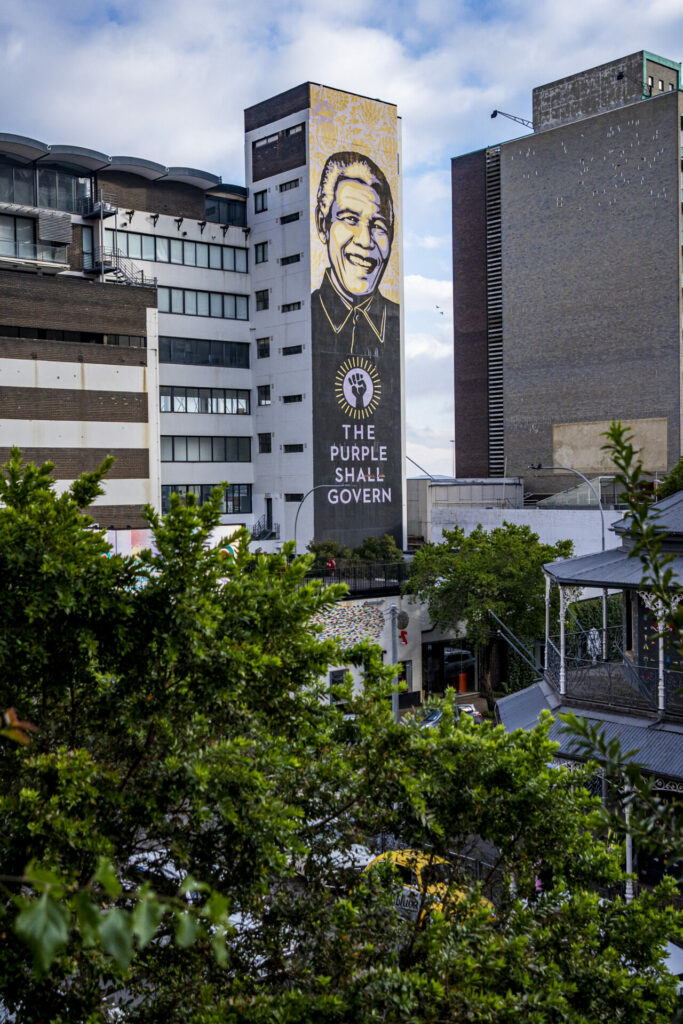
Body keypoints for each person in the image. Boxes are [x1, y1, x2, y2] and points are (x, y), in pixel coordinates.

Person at [312, 151, 399, 359]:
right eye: (350, 219)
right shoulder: (303, 316)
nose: (365, 240)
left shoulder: (397, 321)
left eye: (379, 226)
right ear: (323, 225)